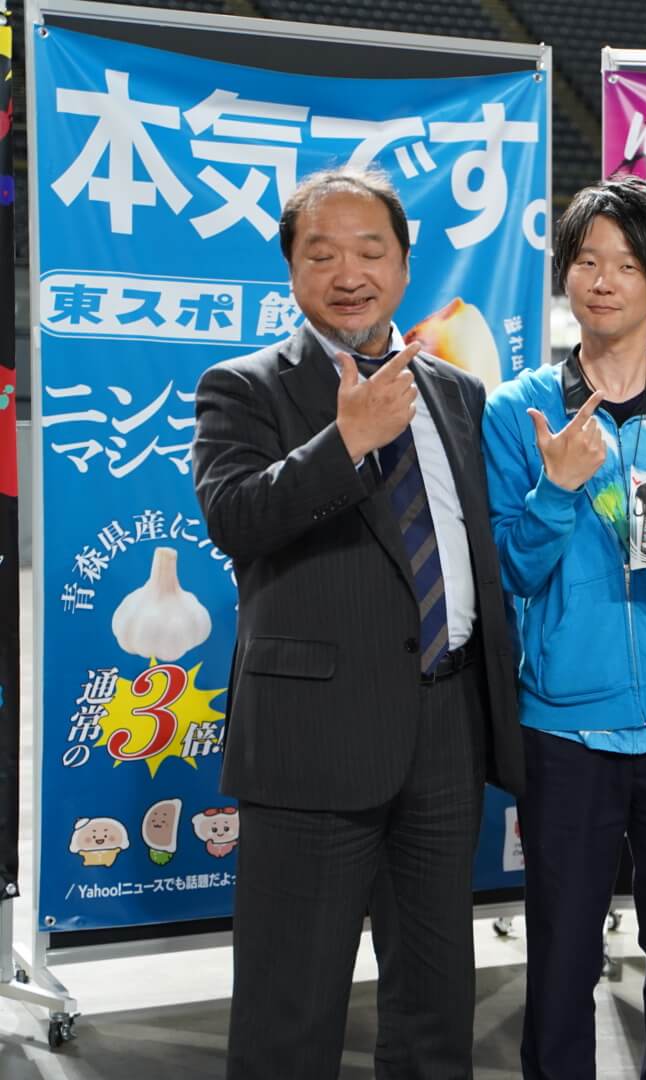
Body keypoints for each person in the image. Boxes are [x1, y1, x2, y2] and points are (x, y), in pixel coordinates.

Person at [191, 166, 523, 1079]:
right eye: (322, 254)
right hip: (313, 736)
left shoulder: (456, 392)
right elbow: (236, 518)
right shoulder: (243, 386)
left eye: (371, 252)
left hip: (446, 725)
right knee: (291, 1010)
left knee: (435, 1003)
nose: (349, 274)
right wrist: (347, 440)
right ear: (292, 270)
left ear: (405, 266)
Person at [481, 175, 646, 1080]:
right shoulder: (518, 409)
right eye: (587, 261)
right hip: (566, 729)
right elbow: (510, 570)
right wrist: (556, 488)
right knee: (562, 956)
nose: (603, 281)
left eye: (627, 265)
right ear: (564, 274)